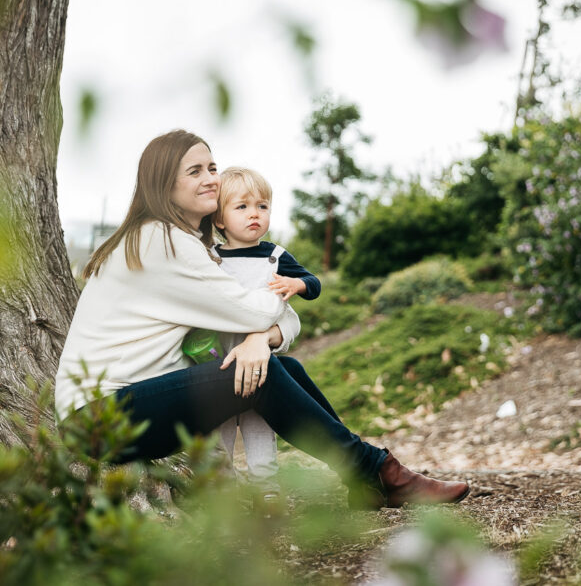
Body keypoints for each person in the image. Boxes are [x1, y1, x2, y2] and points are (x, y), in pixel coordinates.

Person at [55, 129, 469, 509]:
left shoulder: (167, 239)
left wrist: (262, 340)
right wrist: (264, 328)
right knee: (264, 375)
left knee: (281, 366)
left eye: (212, 167)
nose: (211, 179)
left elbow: (266, 319)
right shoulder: (162, 242)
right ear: (164, 185)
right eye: (194, 171)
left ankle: (368, 477)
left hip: (121, 408)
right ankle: (380, 473)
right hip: (101, 417)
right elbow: (262, 307)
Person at [206, 166, 321, 500]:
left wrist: (296, 283)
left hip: (260, 367)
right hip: (219, 365)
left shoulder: (274, 256)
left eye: (262, 206)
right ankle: (220, 495)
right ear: (220, 219)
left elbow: (313, 283)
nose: (253, 214)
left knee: (259, 432)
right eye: (241, 207)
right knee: (219, 434)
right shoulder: (211, 259)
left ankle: (266, 492)